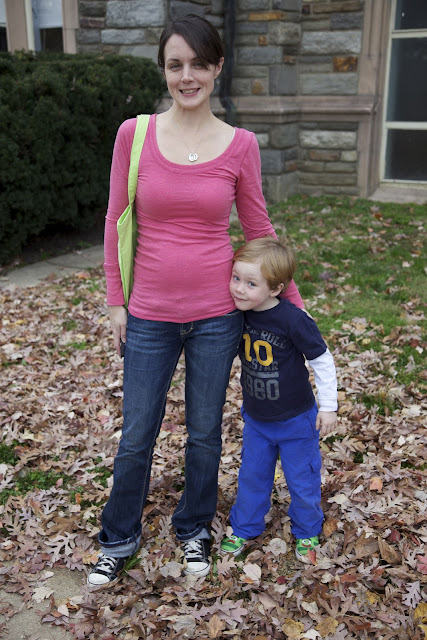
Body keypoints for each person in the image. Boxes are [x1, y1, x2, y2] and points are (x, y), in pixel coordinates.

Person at [88, 15, 304, 587]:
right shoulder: (134, 135)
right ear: (164, 70)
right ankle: (118, 538)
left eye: (198, 64)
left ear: (217, 68)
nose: (187, 76)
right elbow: (114, 219)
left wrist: (294, 306)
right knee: (137, 433)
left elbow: (258, 228)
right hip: (149, 314)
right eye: (175, 65)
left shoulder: (240, 145)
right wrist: (116, 300)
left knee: (205, 433)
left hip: (216, 316)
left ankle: (193, 530)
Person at [220, 237, 337, 562]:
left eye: (251, 283)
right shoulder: (237, 315)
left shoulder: (293, 319)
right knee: (252, 476)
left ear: (275, 289)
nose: (239, 289)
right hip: (257, 419)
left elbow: (322, 360)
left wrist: (329, 406)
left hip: (296, 419)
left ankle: (307, 530)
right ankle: (244, 527)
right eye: (236, 278)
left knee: (302, 478)